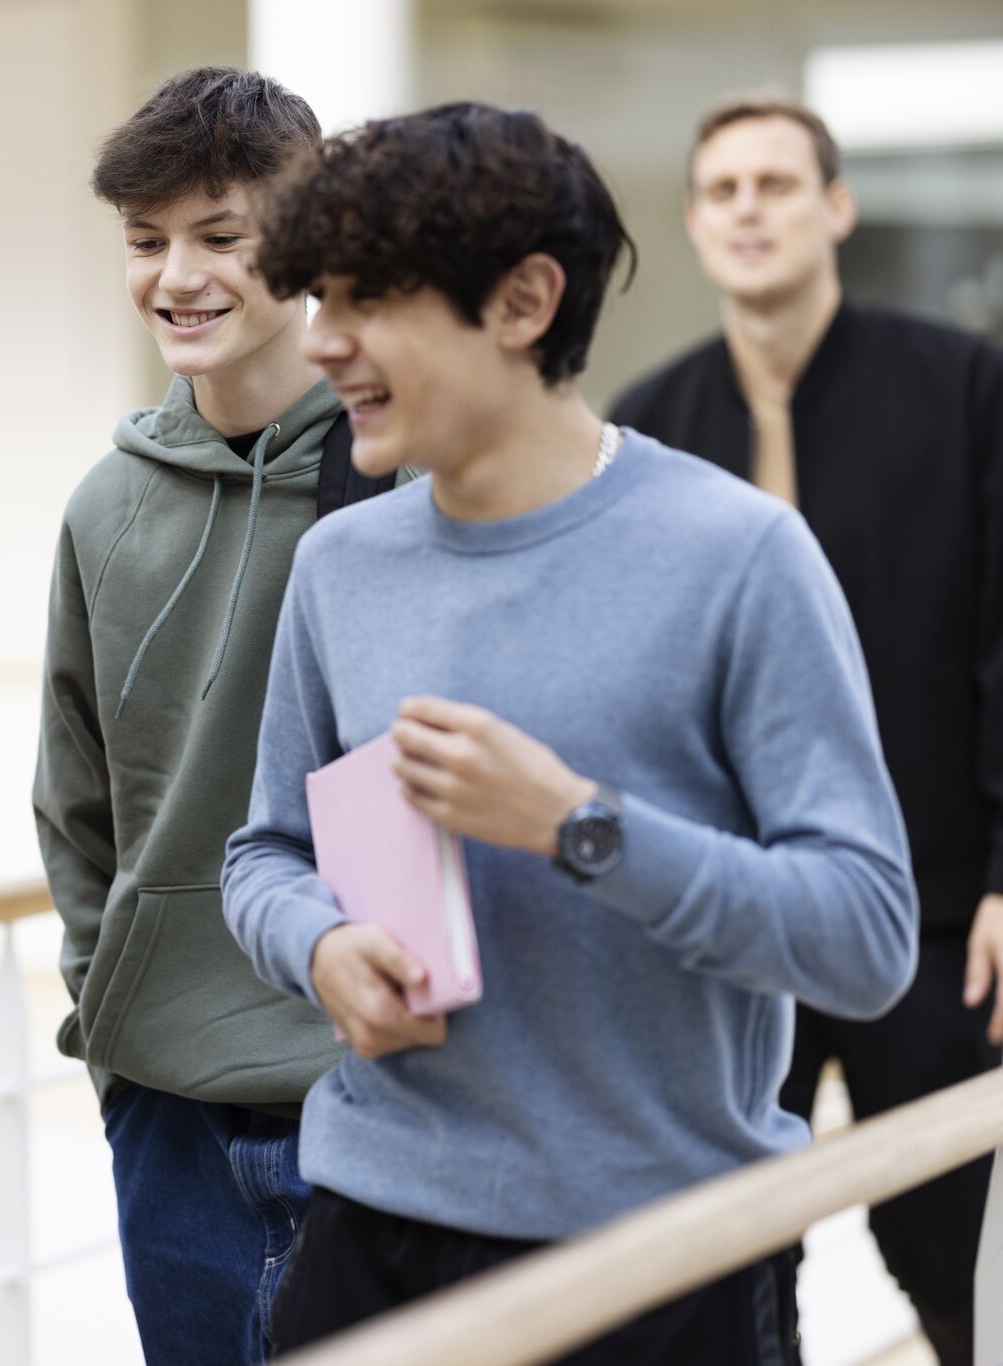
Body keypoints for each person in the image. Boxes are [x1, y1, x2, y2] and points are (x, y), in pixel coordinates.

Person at [222, 102, 917, 1363]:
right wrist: (316, 949)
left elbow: (865, 938)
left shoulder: (740, 555)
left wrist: (575, 827)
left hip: (665, 1255)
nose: (320, 343)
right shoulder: (337, 563)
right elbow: (261, 852)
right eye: (316, 297)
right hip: (368, 1229)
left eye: (364, 298)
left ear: (524, 299)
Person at [611, 96, 1003, 1364]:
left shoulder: (964, 387)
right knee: (719, 1272)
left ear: (834, 208)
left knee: (958, 1259)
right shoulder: (645, 427)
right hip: (722, 941)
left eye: (776, 185)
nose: (747, 211)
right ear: (691, 221)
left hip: (934, 918)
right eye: (720, 191)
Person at [32, 66, 397, 1366]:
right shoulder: (103, 506)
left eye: (219, 236)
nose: (176, 275)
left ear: (297, 242)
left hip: (369, 1083)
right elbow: (74, 800)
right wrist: (111, 1022)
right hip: (166, 1102)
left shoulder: (397, 475)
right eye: (145, 241)